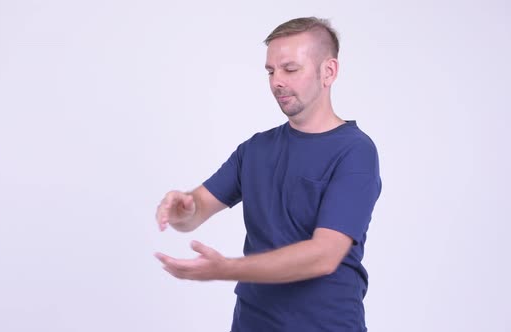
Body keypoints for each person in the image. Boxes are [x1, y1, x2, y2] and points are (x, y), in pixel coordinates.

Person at [154, 16, 382, 332]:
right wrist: (181, 208)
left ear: (328, 72)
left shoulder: (355, 151)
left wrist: (227, 268)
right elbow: (194, 212)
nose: (277, 82)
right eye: (271, 71)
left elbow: (324, 255)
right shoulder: (255, 149)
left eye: (290, 69)